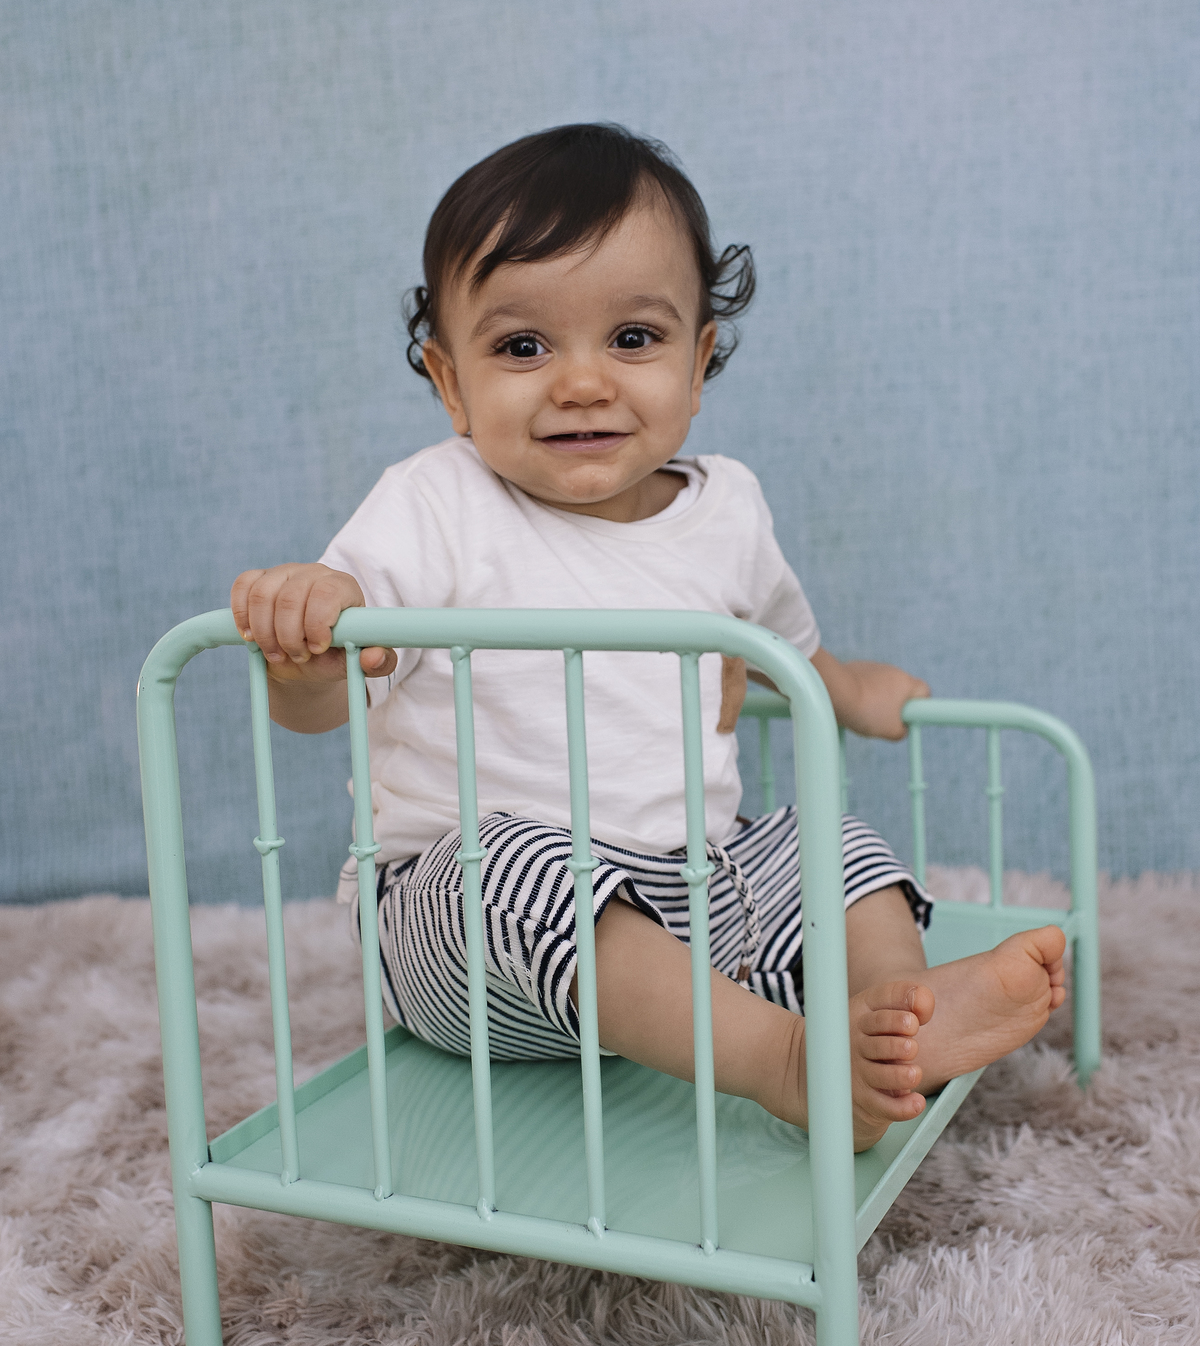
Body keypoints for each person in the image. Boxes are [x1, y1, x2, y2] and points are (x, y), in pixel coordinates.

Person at [231, 123, 1065, 1151]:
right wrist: (304, 653)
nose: (582, 382)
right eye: (522, 347)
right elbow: (327, 703)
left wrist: (847, 689)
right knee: (506, 863)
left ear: (700, 360)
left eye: (633, 339)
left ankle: (894, 1020)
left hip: (687, 906)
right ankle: (787, 1062)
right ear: (450, 385)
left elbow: (783, 647)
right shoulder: (432, 505)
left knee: (822, 836)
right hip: (465, 939)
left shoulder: (728, 511)